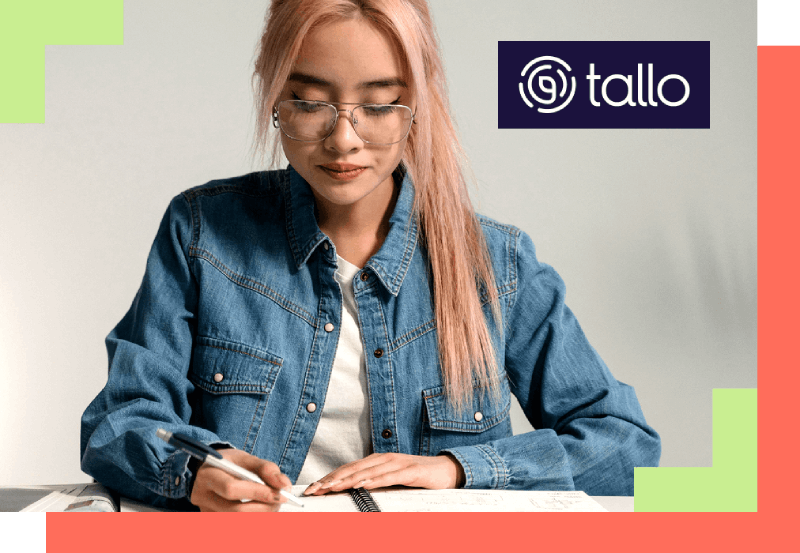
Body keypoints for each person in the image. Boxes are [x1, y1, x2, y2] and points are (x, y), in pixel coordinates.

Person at [80, 0, 660, 512]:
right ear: (274, 92)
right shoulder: (202, 232)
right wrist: (195, 469)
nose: (343, 139)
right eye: (309, 101)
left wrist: (457, 470)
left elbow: (626, 447)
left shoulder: (497, 264)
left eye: (379, 104)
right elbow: (120, 420)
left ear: (418, 103)